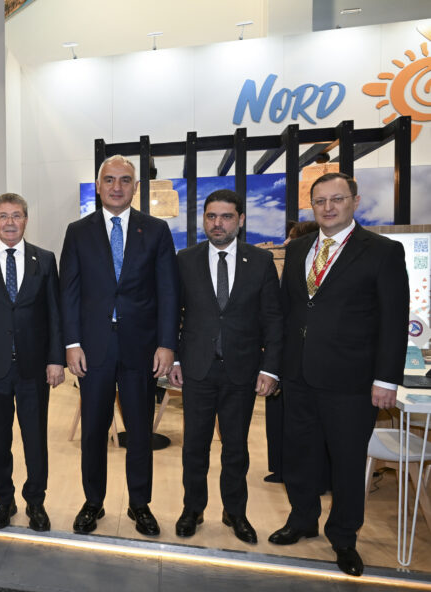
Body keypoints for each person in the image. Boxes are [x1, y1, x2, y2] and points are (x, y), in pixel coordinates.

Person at [270, 172, 409, 577]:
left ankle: (344, 537)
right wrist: (276, 366)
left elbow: (393, 320)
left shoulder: (382, 251)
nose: (328, 207)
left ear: (355, 201)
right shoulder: (298, 249)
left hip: (352, 381)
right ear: (311, 206)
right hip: (298, 374)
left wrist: (386, 380)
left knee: (347, 461)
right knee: (299, 454)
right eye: (320, 201)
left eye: (337, 199)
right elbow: (288, 311)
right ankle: (302, 519)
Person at [60, 155, 180, 537]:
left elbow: (168, 291)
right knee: (93, 431)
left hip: (141, 349)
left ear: (135, 187)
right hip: (92, 349)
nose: (116, 186)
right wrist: (72, 343)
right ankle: (92, 502)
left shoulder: (156, 230)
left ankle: (139, 505)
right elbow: (69, 293)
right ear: (98, 186)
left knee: (140, 432)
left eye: (125, 180)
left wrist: (167, 344)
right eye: (109, 180)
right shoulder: (77, 232)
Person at [168, 189, 282, 544]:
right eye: (211, 216)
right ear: (204, 220)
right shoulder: (185, 260)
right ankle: (193, 509)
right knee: (194, 447)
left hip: (242, 371)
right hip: (197, 369)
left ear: (240, 220)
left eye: (226, 217)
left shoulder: (260, 262)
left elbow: (273, 319)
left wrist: (270, 369)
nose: (218, 223)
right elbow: (172, 313)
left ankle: (235, 512)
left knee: (236, 448)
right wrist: (174, 358)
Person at [0, 193, 65, 531]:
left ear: (25, 220)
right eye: (3, 216)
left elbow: (55, 314)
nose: (9, 222)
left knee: (35, 438)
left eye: (16, 215)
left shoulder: (44, 259)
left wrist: (56, 359)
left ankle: (36, 501)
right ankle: (4, 500)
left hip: (34, 367)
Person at [264, 219, 320, 484]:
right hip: (284, 358)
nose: (286, 242)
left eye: (292, 238)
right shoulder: (288, 266)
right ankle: (283, 468)